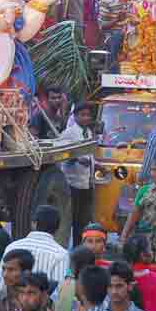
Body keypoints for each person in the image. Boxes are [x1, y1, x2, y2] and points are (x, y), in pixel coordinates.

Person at [0, 205, 68, 289]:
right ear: (57, 229)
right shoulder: (61, 254)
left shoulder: (12, 247)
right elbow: (58, 293)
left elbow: (0, 287)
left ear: (34, 223)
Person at [58, 102, 95, 243]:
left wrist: (95, 165)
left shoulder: (89, 132)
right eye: (82, 115)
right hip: (73, 183)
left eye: (88, 115)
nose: (86, 118)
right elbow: (62, 153)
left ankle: (80, 245)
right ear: (75, 116)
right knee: (72, 217)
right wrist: (77, 160)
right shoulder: (69, 133)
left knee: (83, 219)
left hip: (87, 182)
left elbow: (89, 154)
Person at [98, 0, 137, 71]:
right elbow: (102, 27)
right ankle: (113, 74)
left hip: (132, 38)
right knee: (118, 35)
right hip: (113, 40)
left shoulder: (135, 1)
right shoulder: (106, 2)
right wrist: (117, 20)